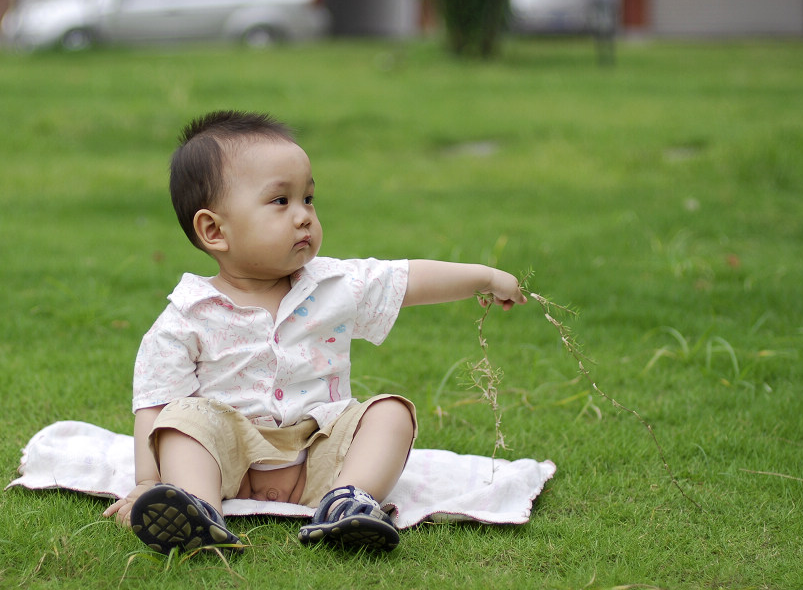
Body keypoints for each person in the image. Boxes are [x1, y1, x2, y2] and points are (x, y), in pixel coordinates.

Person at [103, 110, 527, 553]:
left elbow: (407, 279)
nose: (304, 216)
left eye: (308, 198)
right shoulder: (188, 314)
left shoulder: (331, 284)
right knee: (182, 421)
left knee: (390, 413)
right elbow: (152, 406)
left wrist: (482, 276)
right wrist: (147, 482)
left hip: (318, 453)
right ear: (214, 230)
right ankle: (195, 509)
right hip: (227, 462)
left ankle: (348, 501)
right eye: (280, 202)